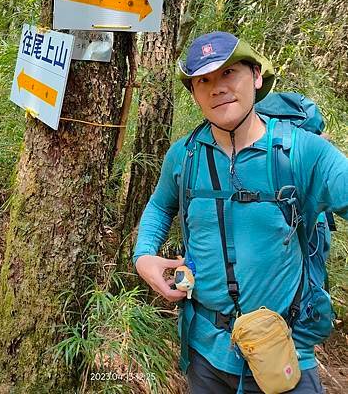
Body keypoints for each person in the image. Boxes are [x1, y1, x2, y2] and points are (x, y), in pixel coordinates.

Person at [134, 31, 348, 393]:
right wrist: (143, 256)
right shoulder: (184, 157)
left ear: (257, 76)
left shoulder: (302, 152)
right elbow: (159, 205)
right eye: (204, 80)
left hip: (285, 354)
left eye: (229, 73)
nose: (217, 87)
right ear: (194, 92)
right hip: (206, 356)